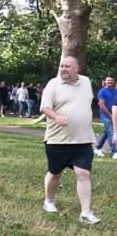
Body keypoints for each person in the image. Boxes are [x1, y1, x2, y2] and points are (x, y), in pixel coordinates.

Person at [40, 55, 100, 224]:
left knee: (84, 173)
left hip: (83, 139)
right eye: (61, 66)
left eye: (67, 66)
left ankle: (86, 212)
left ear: (76, 69)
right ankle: (49, 201)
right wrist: (56, 117)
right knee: (55, 173)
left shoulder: (86, 82)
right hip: (57, 140)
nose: (63, 69)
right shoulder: (53, 84)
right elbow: (44, 107)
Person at [94, 76, 116, 157]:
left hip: (114, 114)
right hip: (105, 115)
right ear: (105, 82)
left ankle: (98, 148)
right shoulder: (102, 91)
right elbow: (102, 106)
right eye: (108, 80)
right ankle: (114, 152)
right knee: (111, 131)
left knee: (107, 132)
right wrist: (110, 115)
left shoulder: (116, 91)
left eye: (111, 80)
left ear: (114, 82)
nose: (109, 82)